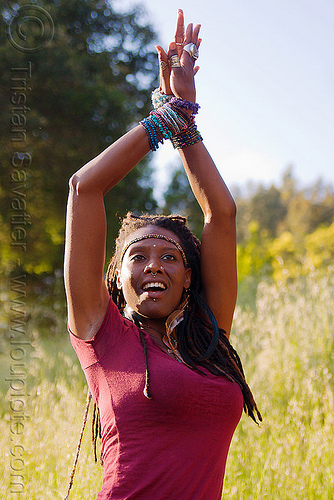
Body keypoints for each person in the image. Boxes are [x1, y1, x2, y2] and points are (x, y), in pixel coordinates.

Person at [64, 9, 261, 500]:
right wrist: (163, 119)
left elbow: (221, 214)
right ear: (118, 276)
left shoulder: (208, 337)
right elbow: (84, 189)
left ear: (190, 276)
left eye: (171, 257)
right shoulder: (101, 332)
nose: (154, 264)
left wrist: (187, 122)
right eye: (139, 257)